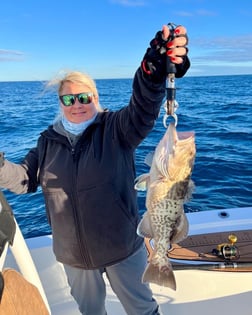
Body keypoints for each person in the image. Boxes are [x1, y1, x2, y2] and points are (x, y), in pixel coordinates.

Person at [0, 24, 190, 315]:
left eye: (84, 97)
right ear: (60, 103)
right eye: (68, 99)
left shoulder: (116, 128)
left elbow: (142, 110)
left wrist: (152, 72)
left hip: (122, 248)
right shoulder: (48, 141)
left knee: (143, 310)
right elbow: (24, 179)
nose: (77, 104)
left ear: (96, 97)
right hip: (74, 257)